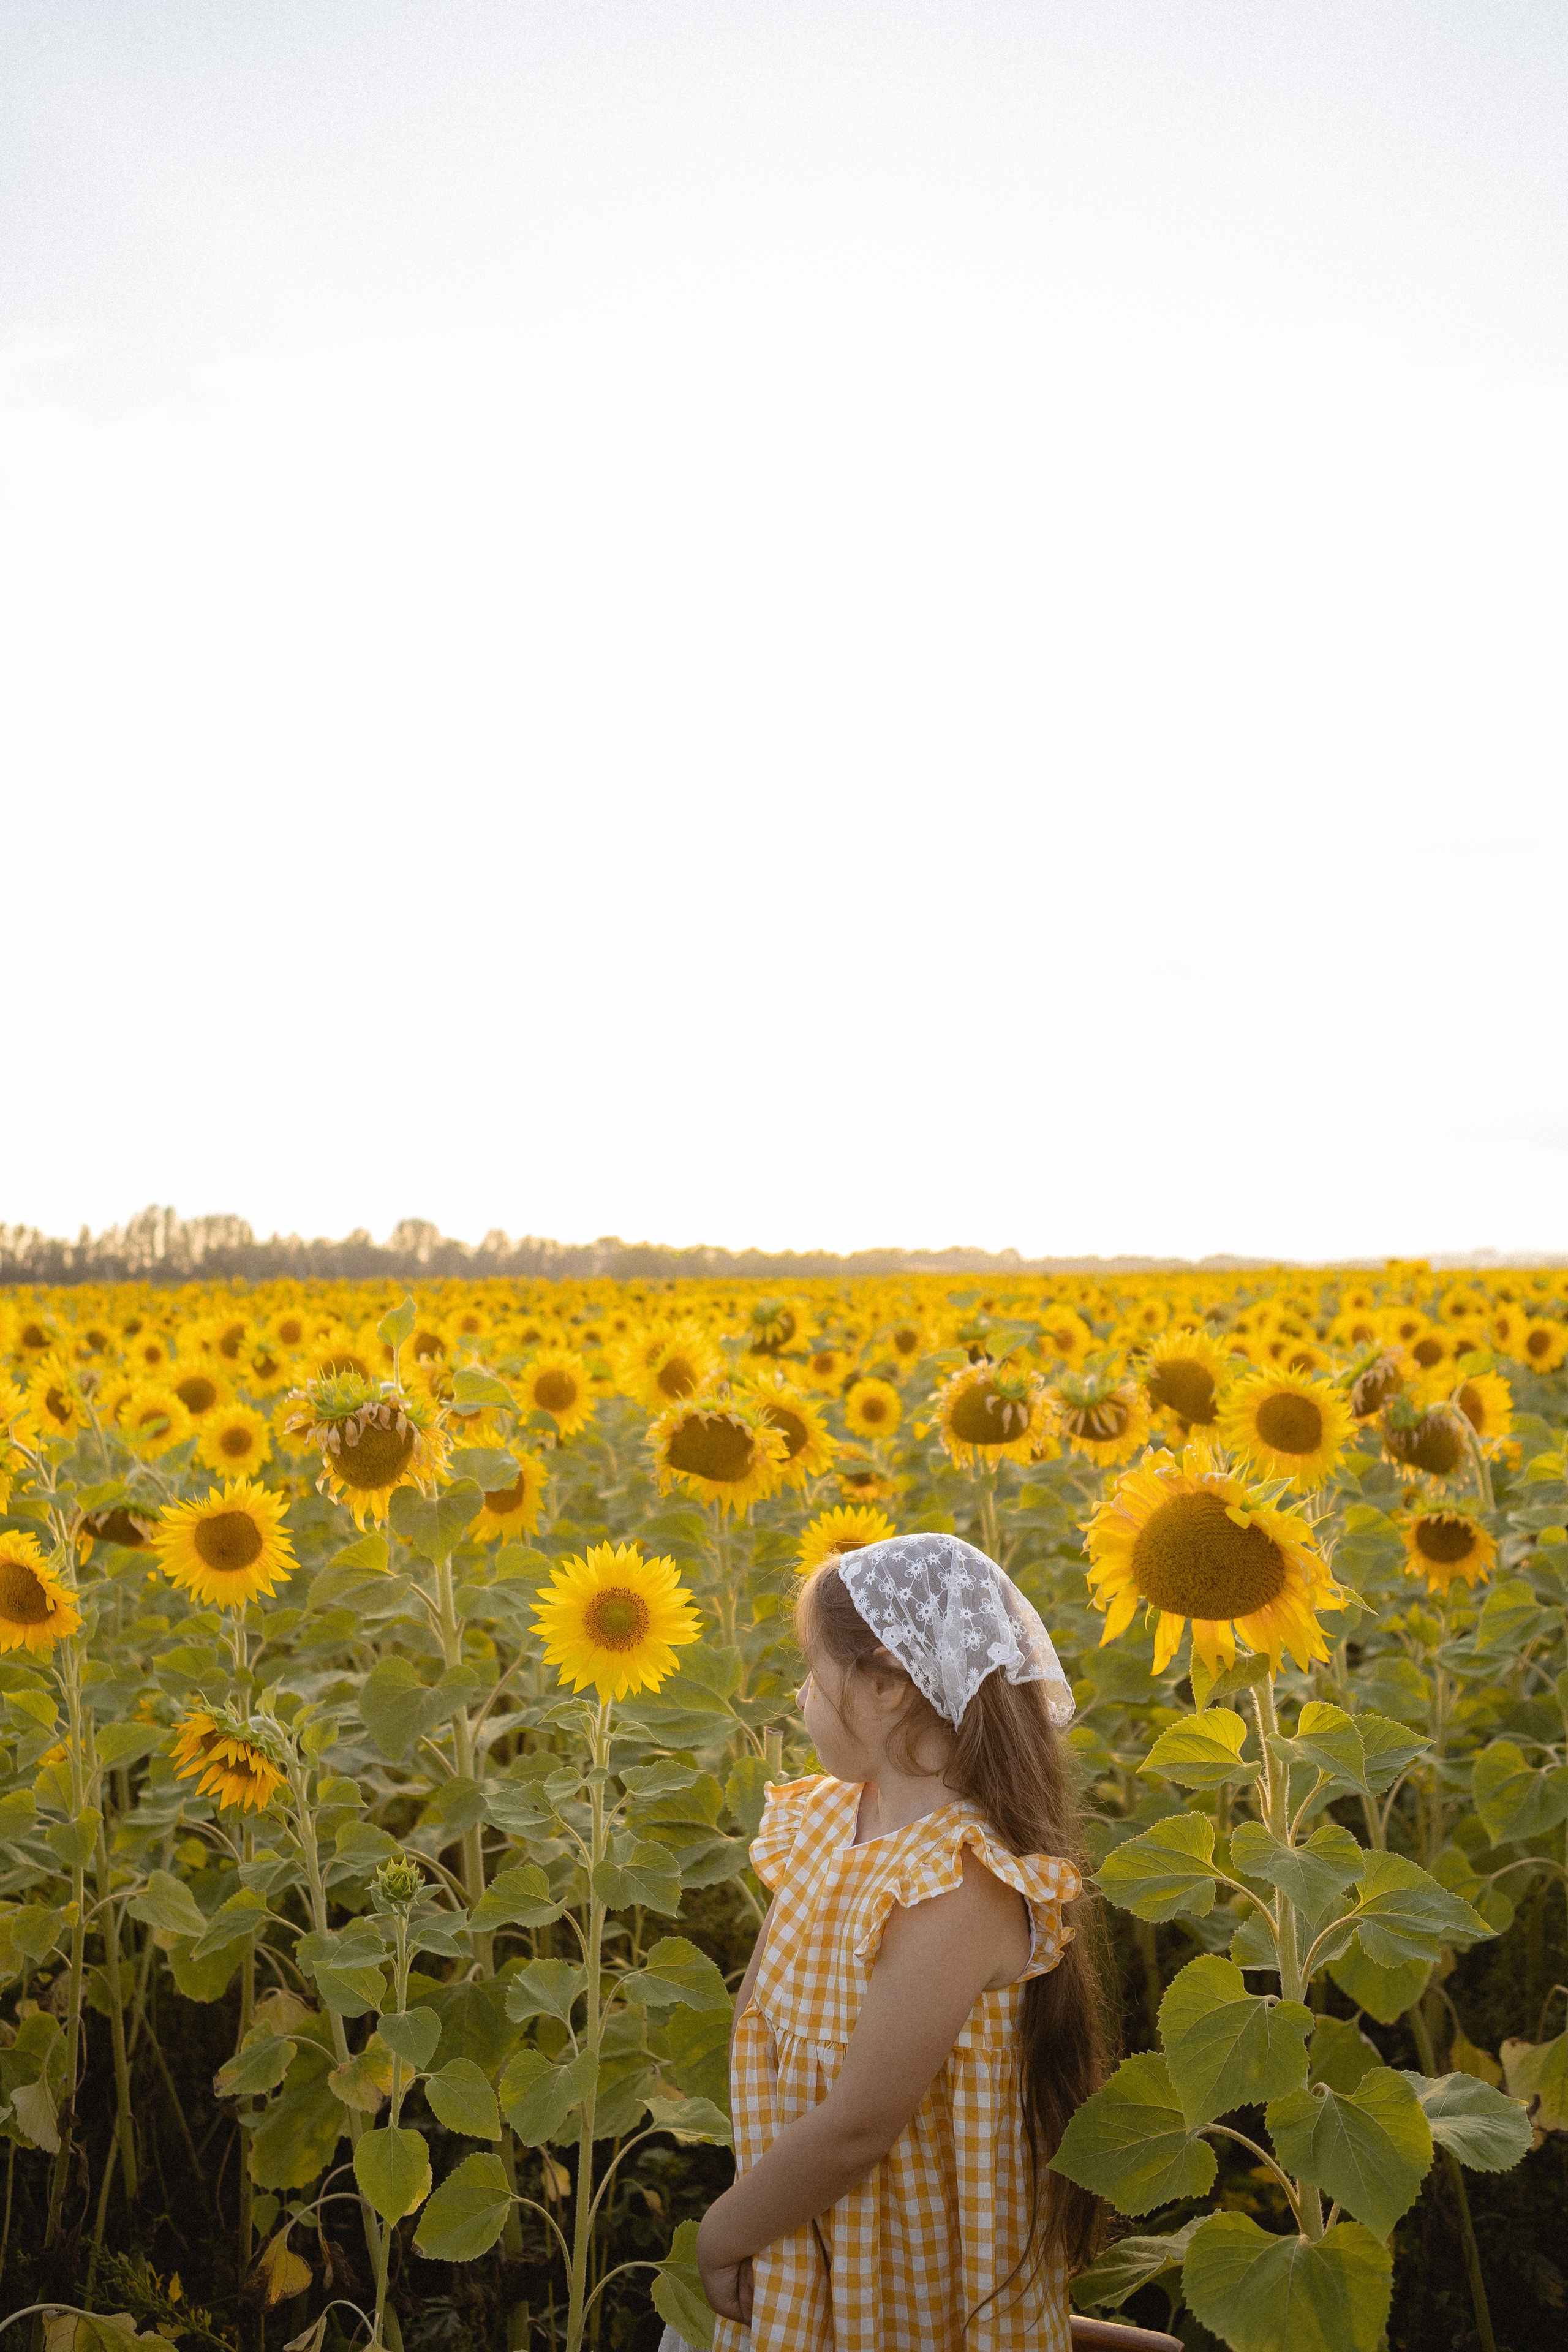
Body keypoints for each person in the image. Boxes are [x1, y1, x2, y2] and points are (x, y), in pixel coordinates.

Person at [677, 1530, 1109, 2352]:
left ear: (888, 1685)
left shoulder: (957, 1883)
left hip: (901, 2252)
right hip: (809, 2213)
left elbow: (859, 2126)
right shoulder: (834, 1815)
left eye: (813, 1671)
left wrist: (725, 2232)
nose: (800, 1698)